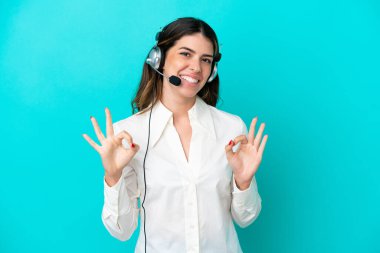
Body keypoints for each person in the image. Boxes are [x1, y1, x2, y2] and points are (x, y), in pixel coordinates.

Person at [82, 17, 268, 253]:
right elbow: (121, 230)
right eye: (186, 54)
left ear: (212, 70)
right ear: (158, 58)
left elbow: (245, 218)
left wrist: (244, 181)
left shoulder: (231, 129)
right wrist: (113, 176)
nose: (196, 68)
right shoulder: (127, 136)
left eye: (206, 60)